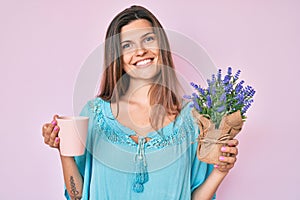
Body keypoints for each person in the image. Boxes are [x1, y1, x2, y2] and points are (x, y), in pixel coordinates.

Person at [42, 5, 239, 200]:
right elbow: (77, 196)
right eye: (127, 45)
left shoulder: (192, 119)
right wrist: (64, 150)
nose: (141, 51)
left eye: (148, 39)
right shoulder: (94, 114)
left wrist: (220, 171)